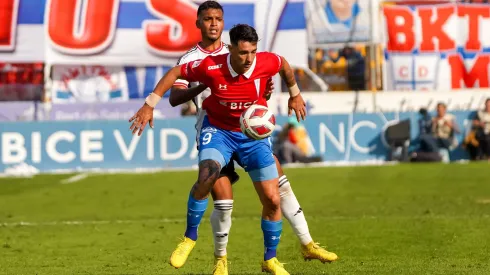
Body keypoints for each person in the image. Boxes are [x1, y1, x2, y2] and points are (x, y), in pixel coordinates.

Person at [167, 2, 337, 274]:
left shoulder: (245, 51)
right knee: (223, 201)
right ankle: (219, 260)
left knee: (278, 187)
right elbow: (175, 97)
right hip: (214, 130)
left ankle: (306, 243)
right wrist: (204, 84)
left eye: (218, 19)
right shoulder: (194, 61)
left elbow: (264, 86)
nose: (213, 24)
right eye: (208, 19)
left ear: (224, 23)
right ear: (198, 22)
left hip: (248, 130)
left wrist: (269, 95)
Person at [129, 22, 308, 274]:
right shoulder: (211, 66)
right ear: (231, 49)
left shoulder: (266, 61)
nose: (249, 58)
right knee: (207, 175)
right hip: (219, 132)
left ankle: (270, 259)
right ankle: (189, 238)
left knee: (272, 198)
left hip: (250, 137)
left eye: (253, 52)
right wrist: (150, 104)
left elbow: (285, 66)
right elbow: (175, 73)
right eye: (243, 52)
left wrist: (295, 94)